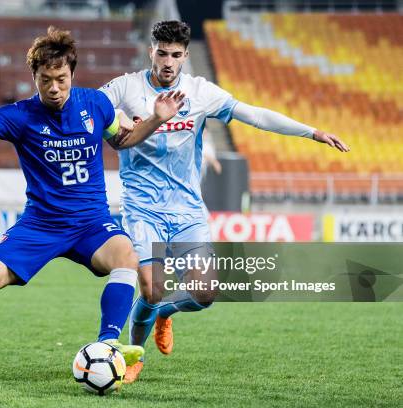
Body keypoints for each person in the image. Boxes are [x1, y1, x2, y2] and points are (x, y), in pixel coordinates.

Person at [0, 26, 186, 386]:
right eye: (45, 80)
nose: (54, 88)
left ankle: (107, 346)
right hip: (40, 225)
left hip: (90, 222)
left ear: (72, 74)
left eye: (61, 79)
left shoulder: (98, 105)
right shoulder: (20, 115)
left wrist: (154, 120)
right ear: (34, 78)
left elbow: (123, 138)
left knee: (126, 259)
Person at [100, 20, 350, 383]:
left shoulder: (200, 92)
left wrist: (310, 131)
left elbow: (256, 115)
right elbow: (92, 109)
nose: (168, 62)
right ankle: (134, 358)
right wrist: (115, 119)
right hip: (142, 208)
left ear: (186, 56)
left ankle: (166, 313)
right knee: (150, 288)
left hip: (187, 209)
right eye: (162, 53)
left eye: (176, 55)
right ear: (150, 51)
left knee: (205, 293)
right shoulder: (126, 87)